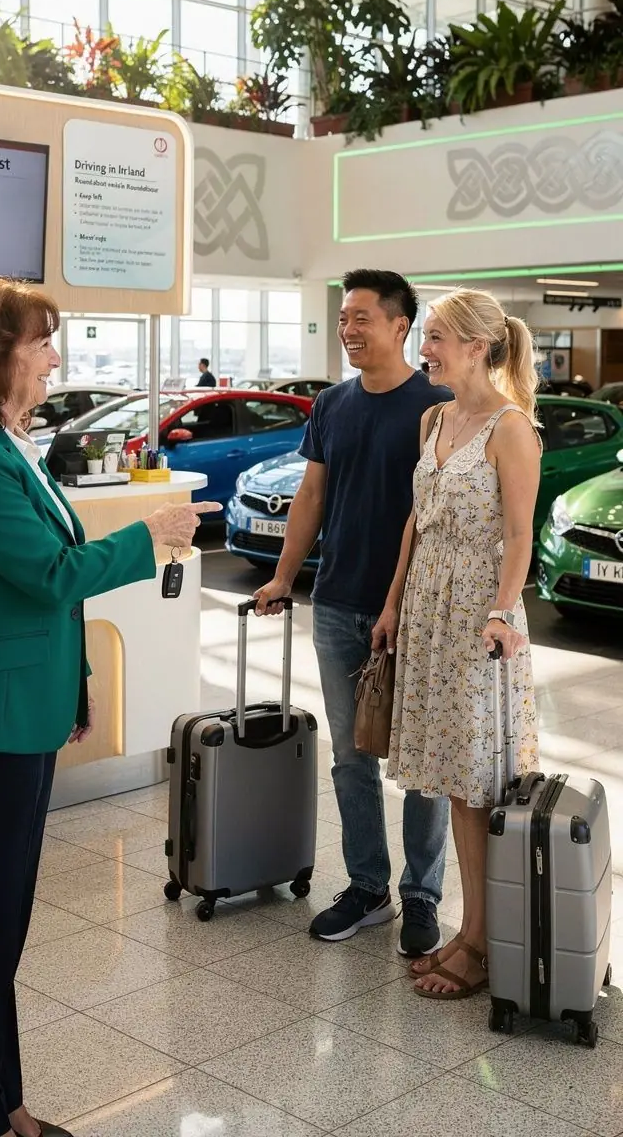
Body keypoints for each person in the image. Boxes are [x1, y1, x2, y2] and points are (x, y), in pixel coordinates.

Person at [0, 276, 220, 1137]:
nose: (54, 359)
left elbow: (43, 587)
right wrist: (149, 537)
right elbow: (49, 577)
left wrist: (67, 690)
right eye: (40, 342)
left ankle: (3, 1105)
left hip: (12, 713)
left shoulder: (3, 446)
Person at [255, 270, 452, 957]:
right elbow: (311, 495)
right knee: (352, 757)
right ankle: (368, 886)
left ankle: (423, 894)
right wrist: (284, 576)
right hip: (338, 602)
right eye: (344, 317)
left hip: (419, 610)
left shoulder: (439, 405)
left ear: (402, 326)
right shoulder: (332, 405)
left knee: (422, 759)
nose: (349, 328)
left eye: (363, 317)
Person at [377, 289, 540, 1000]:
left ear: (477, 345)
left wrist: (503, 613)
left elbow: (519, 534)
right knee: (450, 780)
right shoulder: (434, 418)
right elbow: (417, 521)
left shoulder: (511, 427)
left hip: (481, 617)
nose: (425, 348)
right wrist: (391, 604)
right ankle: (468, 933)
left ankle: (478, 943)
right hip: (428, 608)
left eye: (436, 336)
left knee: (478, 788)